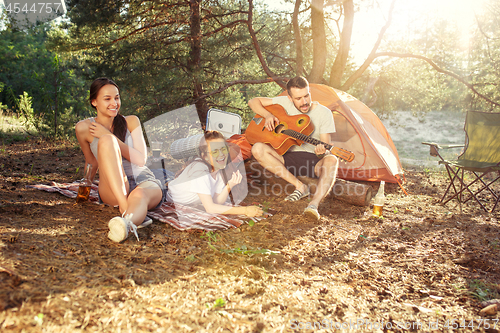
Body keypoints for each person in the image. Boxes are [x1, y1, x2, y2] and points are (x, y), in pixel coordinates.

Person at [75, 78, 166, 243]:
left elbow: (140, 159)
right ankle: (126, 208)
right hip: (113, 187)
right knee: (106, 142)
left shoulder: (131, 121)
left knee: (140, 194)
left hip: (142, 179)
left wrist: (108, 135)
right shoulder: (83, 128)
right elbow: (91, 162)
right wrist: (85, 189)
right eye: (107, 98)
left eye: (117, 98)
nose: (114, 103)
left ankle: (125, 224)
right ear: (94, 102)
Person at [248, 76, 338, 220]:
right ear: (289, 98)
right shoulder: (283, 102)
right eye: (298, 98)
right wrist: (268, 115)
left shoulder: (324, 113)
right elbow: (253, 101)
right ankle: (300, 187)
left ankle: (313, 205)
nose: (304, 102)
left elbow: (326, 145)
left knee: (332, 159)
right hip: (286, 157)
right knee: (257, 148)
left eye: (306, 95)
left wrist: (322, 152)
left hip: (313, 161)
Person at [168, 131, 263, 217]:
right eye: (215, 151)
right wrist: (244, 210)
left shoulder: (219, 170)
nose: (221, 154)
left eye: (223, 149)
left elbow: (217, 201)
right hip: (169, 196)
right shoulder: (199, 170)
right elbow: (210, 208)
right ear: (204, 156)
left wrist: (229, 185)